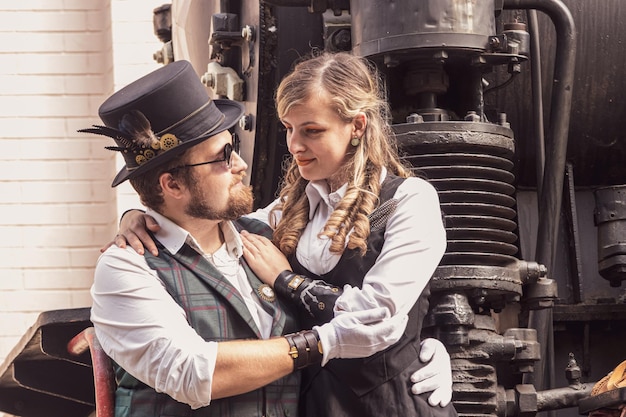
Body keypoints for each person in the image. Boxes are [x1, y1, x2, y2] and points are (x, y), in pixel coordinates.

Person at [114, 52, 455, 417]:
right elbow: (207, 220)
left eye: (312, 131)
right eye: (289, 128)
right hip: (316, 405)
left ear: (356, 126)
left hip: (392, 406)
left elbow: (376, 317)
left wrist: (285, 279)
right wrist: (139, 214)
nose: (294, 145)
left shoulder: (408, 201)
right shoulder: (285, 212)